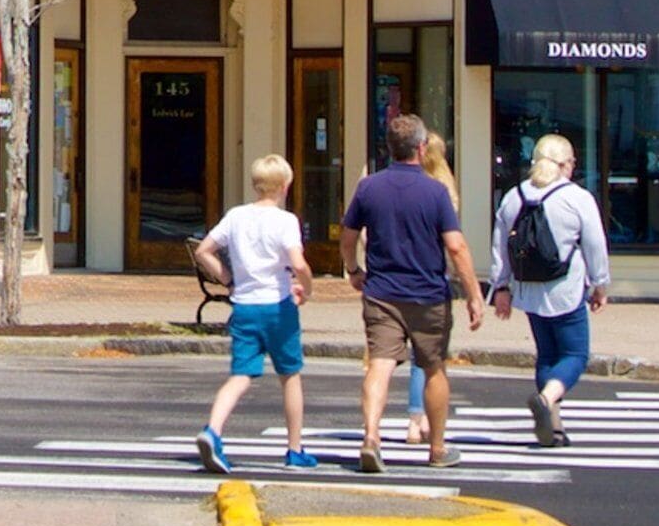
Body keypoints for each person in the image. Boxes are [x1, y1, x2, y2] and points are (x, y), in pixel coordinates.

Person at [342, 114, 483, 472]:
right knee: (433, 368)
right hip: (427, 294)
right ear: (421, 148)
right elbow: (456, 247)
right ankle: (436, 448)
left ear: (389, 149)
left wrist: (354, 270)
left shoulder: (369, 188)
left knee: (380, 364)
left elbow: (347, 235)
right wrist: (473, 293)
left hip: (381, 291)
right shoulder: (435, 192)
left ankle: (371, 437)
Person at [191, 154, 316, 475]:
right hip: (278, 306)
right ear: (286, 186)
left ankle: (213, 430)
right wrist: (306, 288)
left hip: (245, 306)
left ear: (255, 185)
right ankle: (295, 449)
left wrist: (228, 279)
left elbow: (204, 250)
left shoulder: (236, 217)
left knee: (241, 374)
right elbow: (298, 263)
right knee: (290, 375)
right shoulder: (285, 221)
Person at [487, 132, 611, 447]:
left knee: (547, 355)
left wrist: (500, 286)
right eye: (572, 161)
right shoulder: (578, 198)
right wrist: (600, 284)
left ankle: (554, 428)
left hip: (528, 289)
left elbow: (500, 246)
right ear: (564, 164)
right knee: (575, 354)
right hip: (565, 289)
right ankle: (546, 399)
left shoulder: (513, 197)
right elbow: (595, 246)